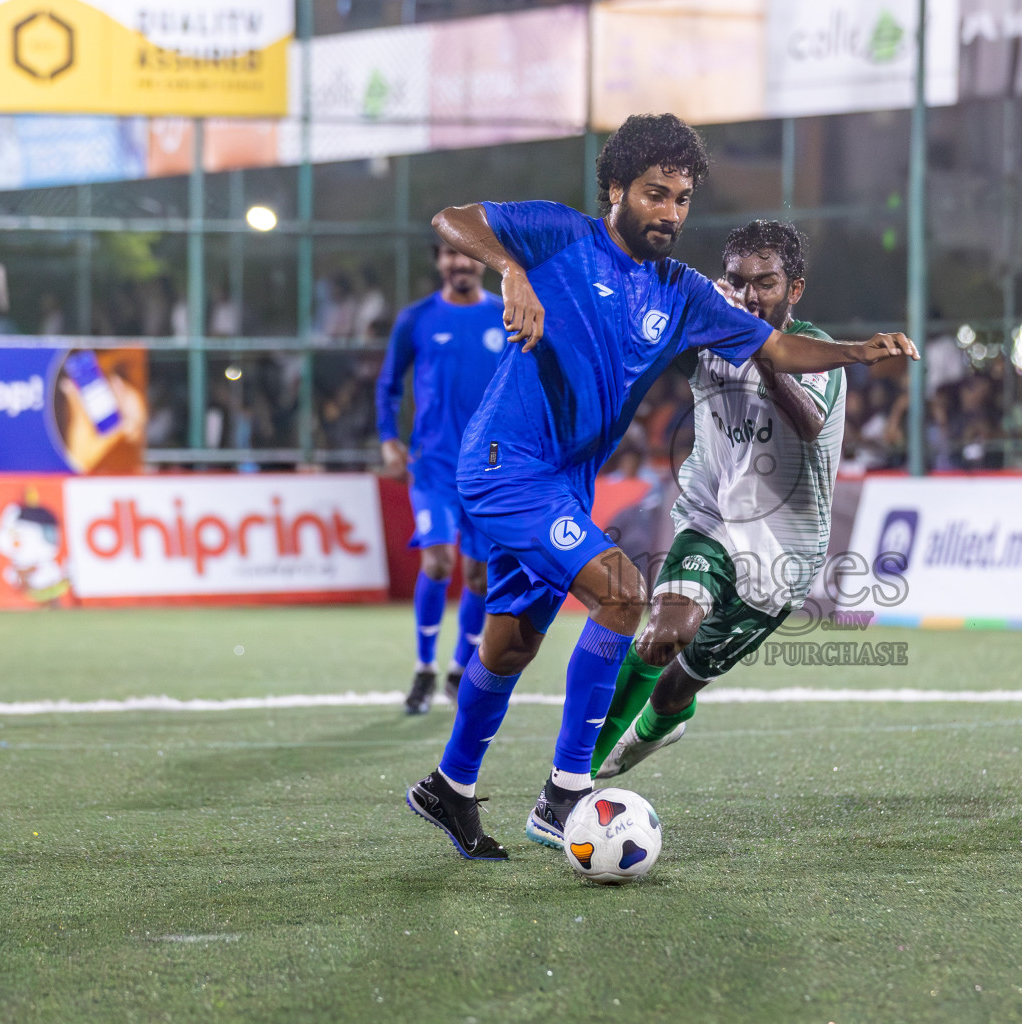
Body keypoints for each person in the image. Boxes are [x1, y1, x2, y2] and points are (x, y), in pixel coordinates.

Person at [406, 114, 917, 861]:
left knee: (511, 645)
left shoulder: (681, 292)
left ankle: (449, 789)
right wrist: (509, 269)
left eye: (681, 198)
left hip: (565, 485)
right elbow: (453, 219)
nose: (670, 213)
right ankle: (567, 794)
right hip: (504, 465)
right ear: (616, 189)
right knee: (623, 592)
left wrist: (856, 351)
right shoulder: (558, 234)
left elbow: (775, 345)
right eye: (655, 194)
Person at [589, 219, 845, 780]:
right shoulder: (708, 337)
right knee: (662, 636)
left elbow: (807, 421)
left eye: (767, 282)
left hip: (782, 553)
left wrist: (754, 347)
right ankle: (573, 774)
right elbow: (643, 335)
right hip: (711, 519)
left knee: (678, 686)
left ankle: (663, 722)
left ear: (794, 289)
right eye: (738, 282)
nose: (752, 295)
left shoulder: (818, 350)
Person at [376, 241, 508, 714]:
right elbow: (389, 385)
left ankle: (459, 669)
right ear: (439, 263)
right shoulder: (416, 319)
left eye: (469, 255)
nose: (460, 263)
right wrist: (389, 438)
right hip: (432, 465)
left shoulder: (507, 314)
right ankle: (423, 668)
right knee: (436, 563)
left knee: (478, 575)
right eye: (450, 256)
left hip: (488, 468)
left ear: (482, 263)